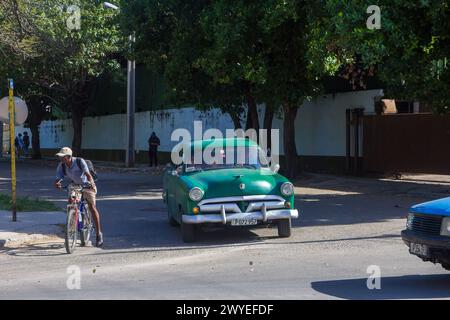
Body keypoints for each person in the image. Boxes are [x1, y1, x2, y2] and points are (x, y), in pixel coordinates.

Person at [54, 147, 103, 247]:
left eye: (63, 157)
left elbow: (87, 174)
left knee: (92, 207)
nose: (61, 159)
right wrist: (57, 183)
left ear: (69, 157)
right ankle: (70, 228)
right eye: (60, 157)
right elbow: (58, 178)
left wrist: (91, 183)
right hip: (75, 185)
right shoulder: (62, 165)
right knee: (71, 202)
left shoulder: (80, 162)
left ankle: (99, 234)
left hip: (87, 184)